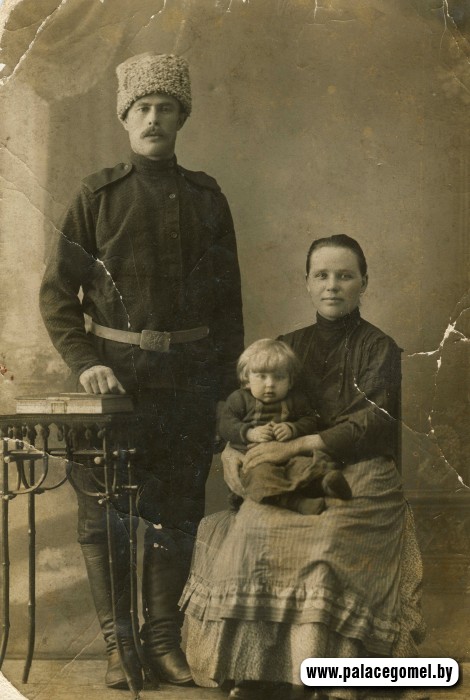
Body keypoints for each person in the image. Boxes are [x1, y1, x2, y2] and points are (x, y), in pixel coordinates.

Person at [39, 52, 244, 692]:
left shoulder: (208, 199)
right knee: (103, 520)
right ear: (125, 118)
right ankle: (118, 648)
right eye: (143, 108)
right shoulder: (96, 196)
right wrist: (87, 364)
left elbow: (229, 311)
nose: (154, 118)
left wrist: (224, 396)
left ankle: (163, 645)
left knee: (176, 513)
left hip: (188, 387)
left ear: (182, 117)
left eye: (166, 108)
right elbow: (57, 296)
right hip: (116, 389)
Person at [180, 235, 425, 700]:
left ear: (364, 283)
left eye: (345, 276)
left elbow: (374, 421)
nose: (332, 285)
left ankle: (319, 675)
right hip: (291, 469)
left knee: (328, 538)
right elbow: (246, 406)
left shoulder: (380, 348)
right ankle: (258, 672)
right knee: (255, 526)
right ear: (307, 283)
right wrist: (234, 448)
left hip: (363, 469)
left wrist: (299, 443)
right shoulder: (285, 347)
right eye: (322, 275)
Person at [219, 338, 352, 514]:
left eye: (279, 377)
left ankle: (325, 483)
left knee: (307, 464)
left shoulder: (295, 399)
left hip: (289, 457)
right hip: (254, 462)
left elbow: (310, 420)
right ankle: (295, 502)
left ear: (290, 381)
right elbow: (226, 424)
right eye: (261, 376)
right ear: (246, 379)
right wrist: (249, 433)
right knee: (262, 475)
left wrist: (292, 428)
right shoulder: (239, 399)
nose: (270, 384)